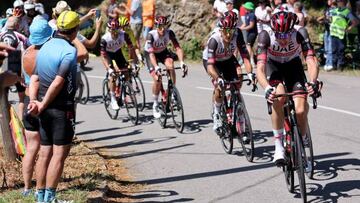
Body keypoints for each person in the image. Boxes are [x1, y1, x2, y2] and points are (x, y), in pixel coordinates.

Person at [256, 11, 321, 166]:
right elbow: (260, 68)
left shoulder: (300, 32)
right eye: (279, 36)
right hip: (274, 66)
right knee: (279, 96)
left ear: (292, 30)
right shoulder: (265, 35)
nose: (282, 40)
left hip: (293, 66)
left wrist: (313, 81)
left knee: (300, 110)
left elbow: (311, 60)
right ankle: (278, 146)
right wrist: (266, 88)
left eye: (286, 36)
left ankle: (303, 136)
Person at [27, 11, 80, 202]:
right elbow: (58, 82)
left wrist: (34, 101)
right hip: (61, 108)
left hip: (42, 108)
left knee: (44, 153)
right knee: (58, 155)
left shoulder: (46, 46)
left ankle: (40, 197)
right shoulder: (69, 51)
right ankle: (50, 197)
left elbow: (34, 78)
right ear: (75, 30)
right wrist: (43, 103)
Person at [202, 15, 254, 133]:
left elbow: (245, 57)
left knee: (237, 81)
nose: (229, 34)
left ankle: (237, 107)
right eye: (226, 31)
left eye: (231, 30)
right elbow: (210, 66)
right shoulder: (214, 40)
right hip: (213, 62)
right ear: (221, 30)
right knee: (219, 86)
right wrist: (218, 78)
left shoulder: (237, 35)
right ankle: (217, 112)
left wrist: (250, 73)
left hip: (228, 58)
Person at [21, 17, 53, 197]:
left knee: (31, 148)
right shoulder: (47, 54)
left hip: (27, 101)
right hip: (42, 102)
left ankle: (26, 187)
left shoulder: (26, 52)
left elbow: (22, 76)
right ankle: (42, 189)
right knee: (46, 148)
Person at [144, 16, 188, 118]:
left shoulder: (169, 33)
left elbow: (178, 48)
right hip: (151, 54)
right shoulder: (151, 36)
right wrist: (156, 67)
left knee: (171, 65)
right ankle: (155, 103)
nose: (163, 29)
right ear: (156, 26)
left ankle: (172, 90)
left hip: (163, 52)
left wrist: (182, 62)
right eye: (160, 27)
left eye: (165, 26)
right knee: (157, 78)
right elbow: (151, 54)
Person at [100, 18, 136, 110]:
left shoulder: (124, 35)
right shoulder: (105, 39)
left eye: (116, 29)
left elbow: (131, 48)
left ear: (119, 28)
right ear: (109, 29)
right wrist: (109, 68)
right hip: (109, 55)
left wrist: (132, 62)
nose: (114, 32)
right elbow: (103, 56)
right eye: (112, 30)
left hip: (118, 53)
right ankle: (113, 99)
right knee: (113, 76)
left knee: (127, 72)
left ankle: (123, 91)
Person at [0, 16, 29, 121]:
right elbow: (24, 54)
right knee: (22, 98)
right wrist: (23, 72)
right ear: (17, 25)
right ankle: (20, 121)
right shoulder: (20, 37)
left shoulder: (1, 35)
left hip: (3, 69)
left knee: (4, 97)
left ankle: (7, 121)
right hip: (17, 69)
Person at [329, 0, 359, 71]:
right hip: (333, 33)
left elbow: (355, 22)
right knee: (333, 50)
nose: (338, 2)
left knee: (340, 50)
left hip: (341, 34)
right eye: (337, 1)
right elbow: (330, 19)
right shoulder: (334, 10)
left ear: (343, 2)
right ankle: (334, 65)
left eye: (339, 1)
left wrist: (348, 29)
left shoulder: (347, 11)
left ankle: (340, 66)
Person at [318, 0, 337, 71]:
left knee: (330, 48)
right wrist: (321, 20)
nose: (328, 1)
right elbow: (326, 18)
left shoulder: (336, 10)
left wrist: (326, 20)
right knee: (326, 49)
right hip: (327, 30)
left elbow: (332, 20)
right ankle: (327, 63)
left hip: (332, 31)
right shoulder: (327, 9)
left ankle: (330, 64)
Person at [240, 2, 257, 68]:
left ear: (249, 8)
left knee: (248, 45)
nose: (244, 8)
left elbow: (251, 25)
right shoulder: (247, 14)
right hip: (248, 33)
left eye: (246, 7)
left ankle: (251, 61)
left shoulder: (252, 15)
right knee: (249, 46)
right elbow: (245, 24)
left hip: (252, 33)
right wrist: (240, 28)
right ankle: (252, 61)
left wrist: (243, 28)